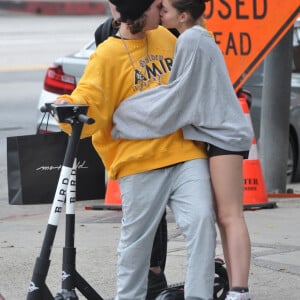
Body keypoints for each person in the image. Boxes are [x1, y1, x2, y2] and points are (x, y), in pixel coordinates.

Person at [55, 0, 217, 299]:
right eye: (157, 6)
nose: (163, 9)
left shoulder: (167, 38)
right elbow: (90, 99)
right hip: (137, 162)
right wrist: (67, 107)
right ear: (142, 14)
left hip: (184, 153)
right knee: (136, 245)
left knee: (202, 222)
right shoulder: (106, 56)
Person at [112, 0, 252, 299]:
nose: (160, 13)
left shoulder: (190, 38)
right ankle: (236, 290)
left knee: (229, 216)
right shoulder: (198, 36)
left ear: (183, 15)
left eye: (166, 9)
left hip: (222, 136)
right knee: (218, 217)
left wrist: (128, 114)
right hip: (217, 133)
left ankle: (239, 291)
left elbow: (179, 95)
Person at [94, 2, 169, 298]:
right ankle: (152, 272)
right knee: (146, 207)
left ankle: (157, 273)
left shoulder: (166, 27)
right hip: (134, 141)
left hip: (171, 130)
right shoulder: (104, 35)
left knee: (197, 213)